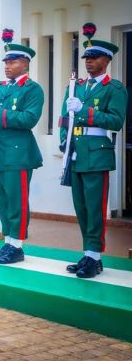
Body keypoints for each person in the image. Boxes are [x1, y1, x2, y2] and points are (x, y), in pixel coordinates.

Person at [61, 23, 127, 278]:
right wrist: (64, 140)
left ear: (107, 60)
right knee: (81, 207)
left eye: (94, 57)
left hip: (97, 153)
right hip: (76, 152)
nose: (88, 62)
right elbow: (64, 119)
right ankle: (88, 253)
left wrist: (86, 112)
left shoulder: (114, 88)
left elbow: (116, 122)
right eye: (86, 57)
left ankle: (95, 257)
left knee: (95, 207)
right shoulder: (75, 86)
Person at [0, 30, 44, 264]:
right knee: (3, 200)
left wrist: (0, 113)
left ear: (25, 64)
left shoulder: (32, 89)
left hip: (19, 154)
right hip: (0, 153)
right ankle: (8, 241)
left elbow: (29, 119)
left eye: (13, 61)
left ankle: (18, 246)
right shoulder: (2, 88)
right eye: (6, 62)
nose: (7, 66)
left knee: (17, 200)